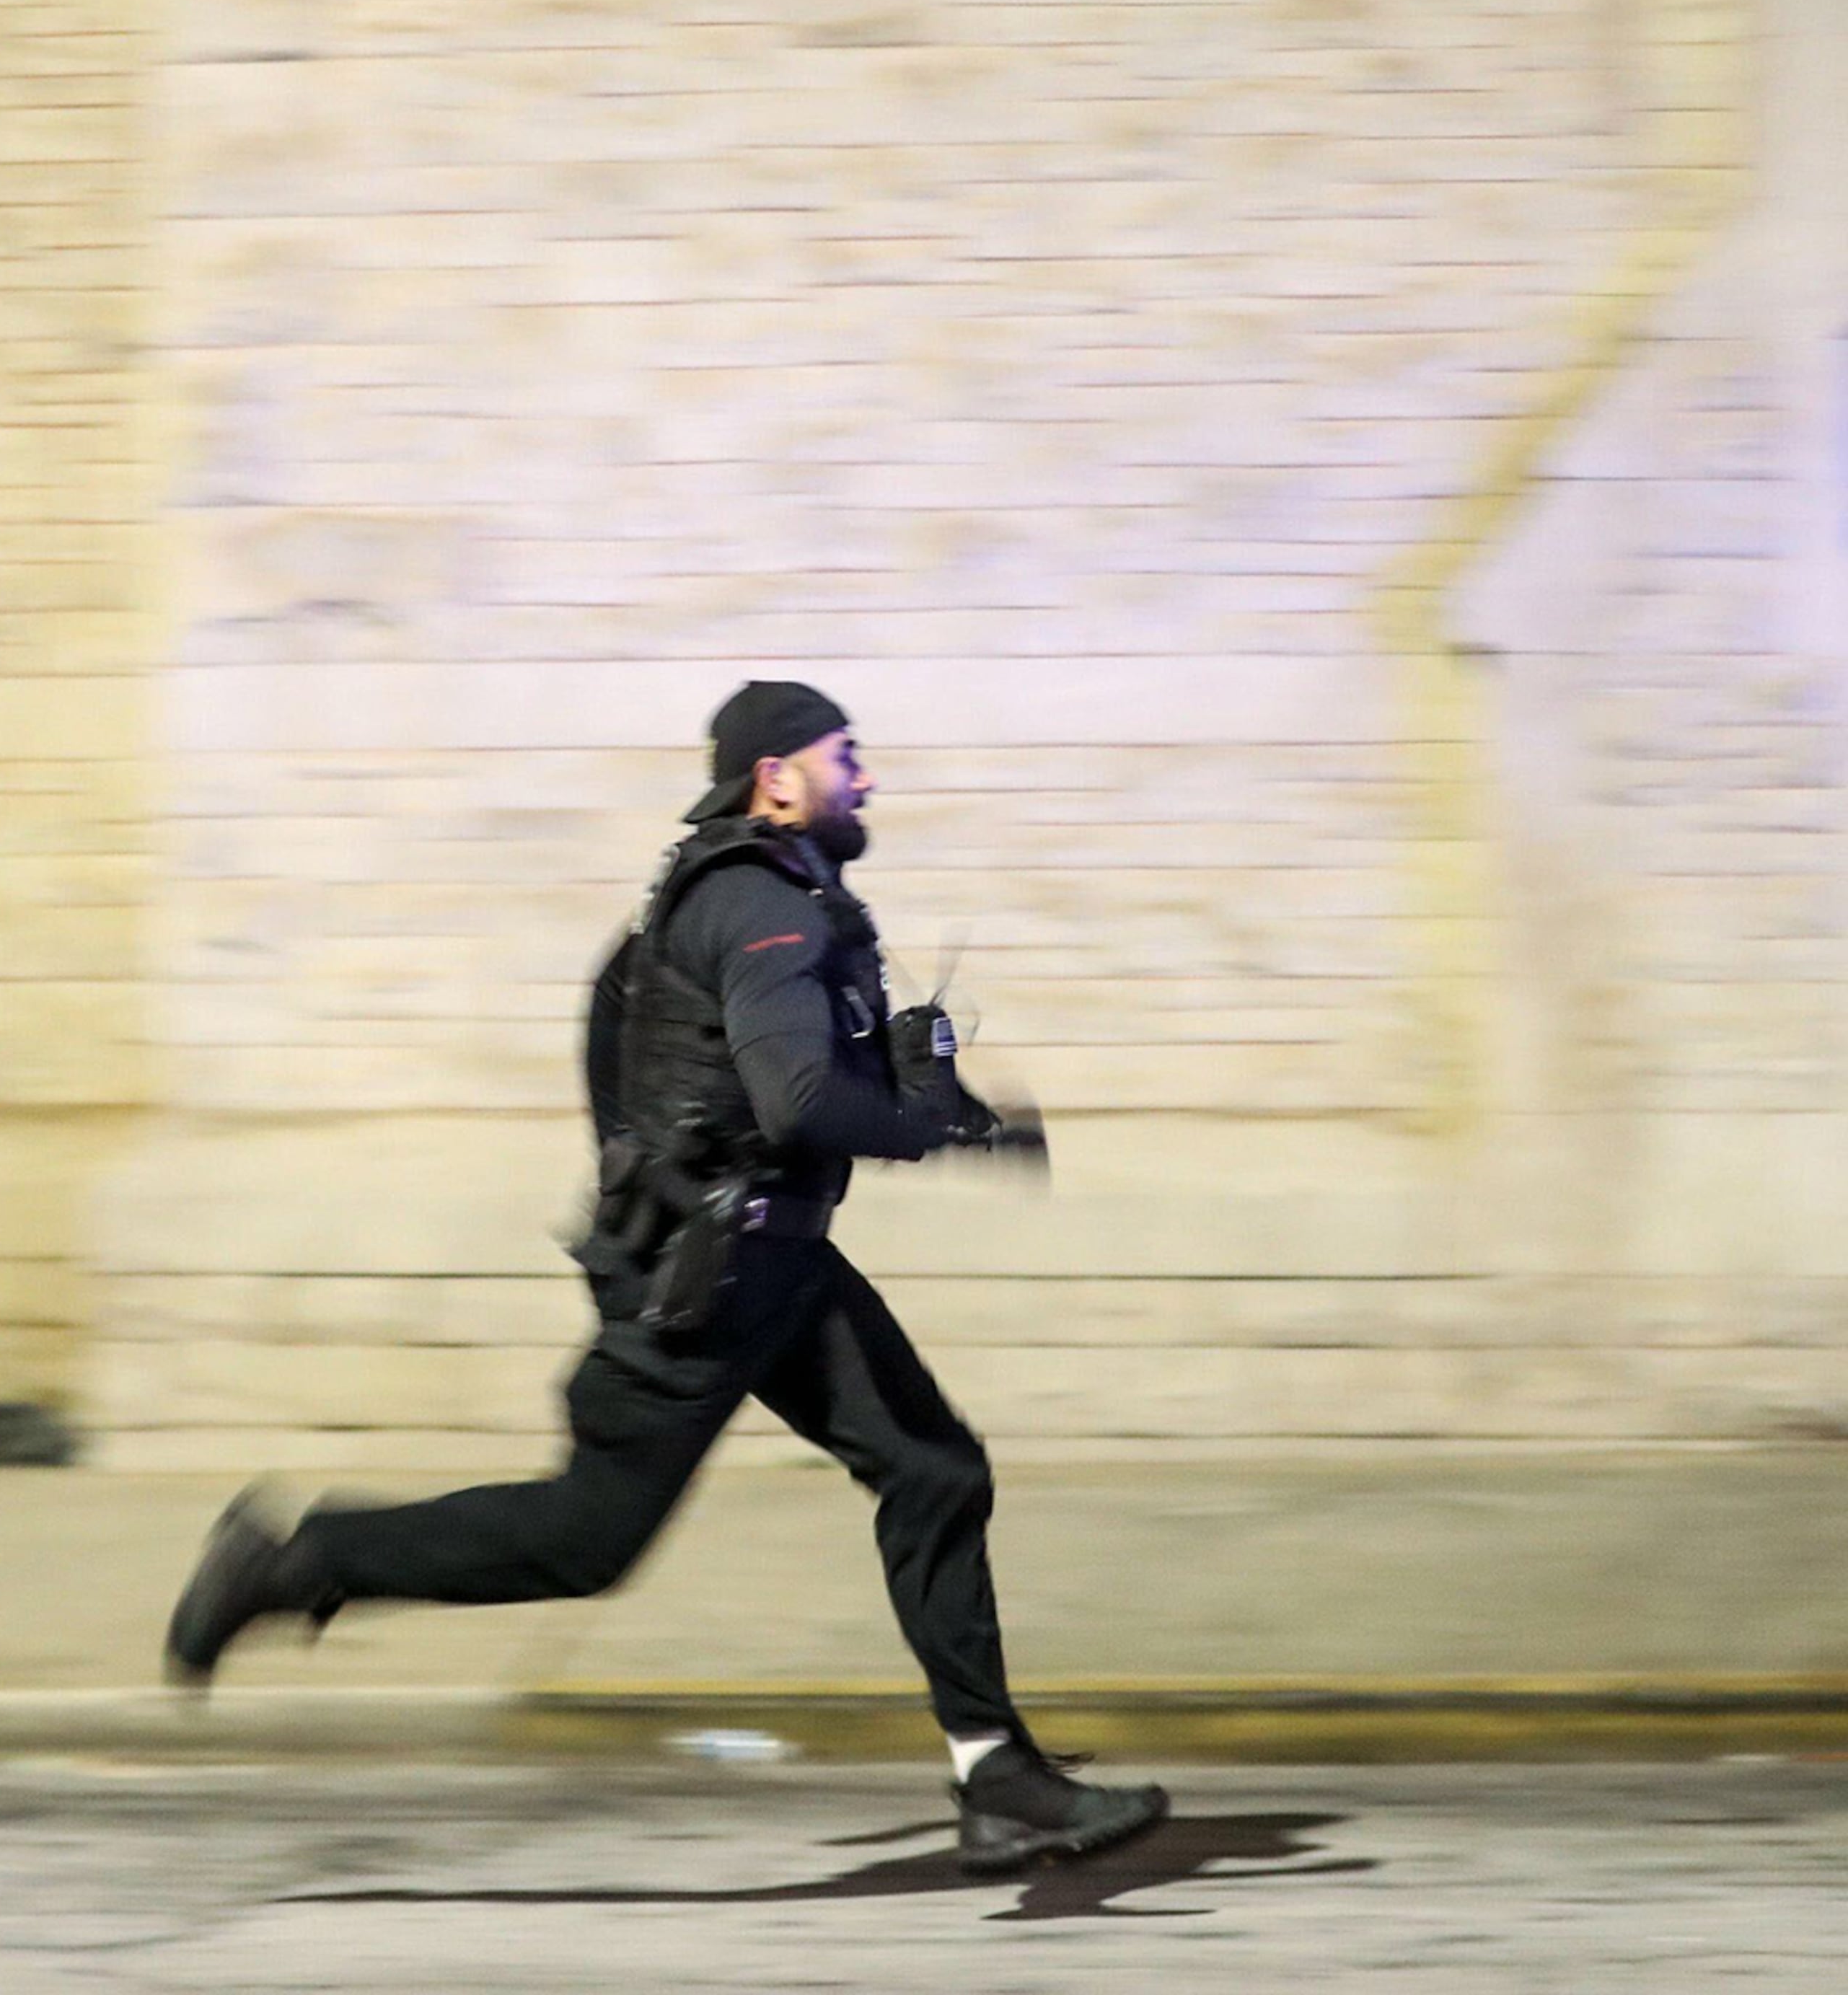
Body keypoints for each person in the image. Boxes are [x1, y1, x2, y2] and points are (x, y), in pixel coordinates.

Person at [164, 680, 1168, 1874]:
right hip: (714, 1280)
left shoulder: (743, 893)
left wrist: (884, 1092)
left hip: (769, 1257)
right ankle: (297, 1558)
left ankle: (998, 1778)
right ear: (778, 776)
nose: (869, 776)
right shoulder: (758, 903)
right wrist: (941, 1129)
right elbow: (799, 1099)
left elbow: (646, 1032)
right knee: (587, 1538)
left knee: (932, 1465)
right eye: (847, 754)